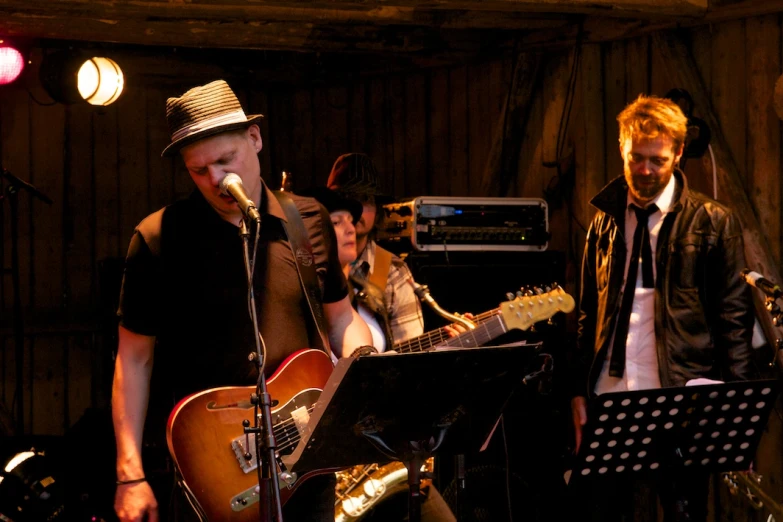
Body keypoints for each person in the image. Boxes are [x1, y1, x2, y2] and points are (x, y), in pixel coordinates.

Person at [112, 80, 373, 522]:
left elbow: (341, 318)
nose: (215, 180)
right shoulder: (159, 238)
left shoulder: (306, 220)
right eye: (198, 170)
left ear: (255, 138)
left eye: (224, 161)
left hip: (307, 465)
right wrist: (129, 475)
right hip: (214, 471)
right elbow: (134, 359)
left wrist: (363, 361)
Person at [569, 94, 757, 520]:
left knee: (682, 510)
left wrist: (738, 422)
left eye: (657, 160)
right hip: (610, 394)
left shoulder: (712, 221)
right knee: (603, 510)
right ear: (622, 148)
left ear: (677, 153)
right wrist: (577, 390)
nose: (645, 170)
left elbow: (733, 322)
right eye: (636, 157)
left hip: (681, 396)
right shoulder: (605, 220)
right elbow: (586, 311)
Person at [327, 153, 425, 343]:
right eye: (346, 198)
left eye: (365, 199)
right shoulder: (307, 265)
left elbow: (410, 354)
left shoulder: (392, 271)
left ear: (378, 210)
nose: (355, 209)